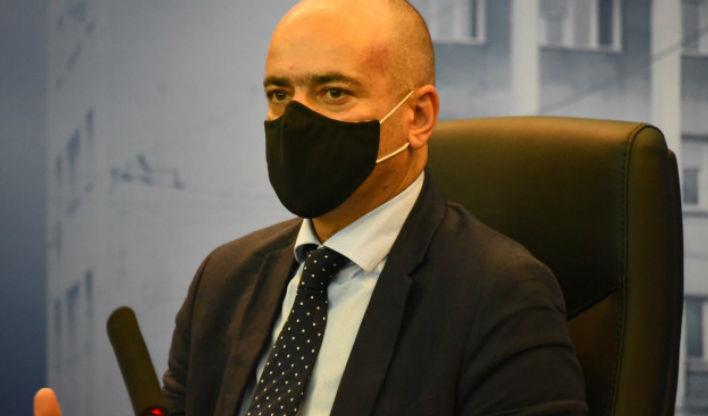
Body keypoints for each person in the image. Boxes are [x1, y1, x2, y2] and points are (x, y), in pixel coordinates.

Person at [35, 1, 587, 415]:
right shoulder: (223, 280)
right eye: (279, 95)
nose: (295, 123)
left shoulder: (499, 292)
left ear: (418, 117)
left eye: (333, 93)